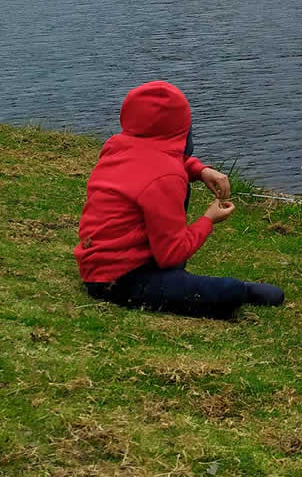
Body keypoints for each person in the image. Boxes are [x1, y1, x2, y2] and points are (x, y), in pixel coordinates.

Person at [74, 80, 284, 318]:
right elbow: (172, 253)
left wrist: (201, 170)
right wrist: (208, 220)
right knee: (228, 291)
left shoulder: (116, 145)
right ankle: (241, 291)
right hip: (121, 279)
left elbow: (152, 160)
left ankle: (171, 277)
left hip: (95, 265)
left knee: (181, 190)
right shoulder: (167, 176)